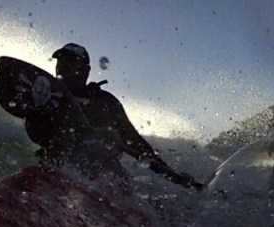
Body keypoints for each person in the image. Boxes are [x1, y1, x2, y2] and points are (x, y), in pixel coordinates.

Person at [24, 43, 198, 188]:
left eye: (70, 62)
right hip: (57, 172)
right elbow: (34, 132)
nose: (62, 66)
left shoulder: (105, 102)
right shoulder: (48, 97)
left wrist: (173, 175)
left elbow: (135, 142)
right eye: (60, 62)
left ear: (85, 70)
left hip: (104, 179)